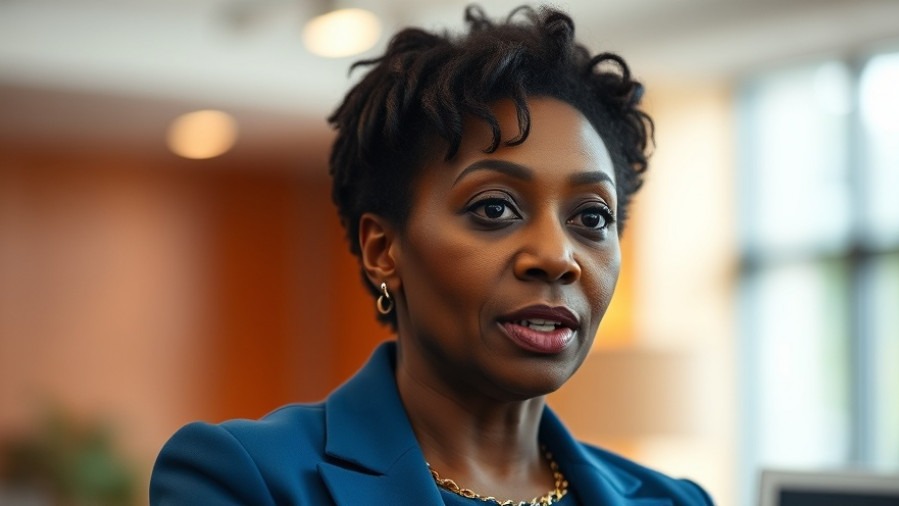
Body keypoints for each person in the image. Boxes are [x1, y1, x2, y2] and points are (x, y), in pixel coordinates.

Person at [150, 5, 714, 505]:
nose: (556, 256)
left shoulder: (676, 501)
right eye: (494, 208)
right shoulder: (244, 478)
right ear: (382, 250)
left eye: (592, 217)